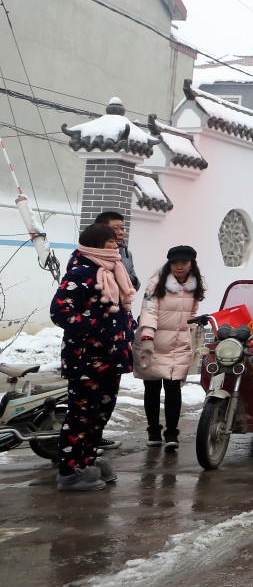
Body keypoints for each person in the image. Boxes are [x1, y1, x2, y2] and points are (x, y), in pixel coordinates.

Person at [50, 222, 135, 491]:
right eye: (111, 240)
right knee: (81, 416)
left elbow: (117, 310)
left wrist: (127, 330)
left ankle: (86, 465)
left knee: (100, 414)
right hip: (86, 359)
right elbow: (60, 311)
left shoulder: (111, 270)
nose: (117, 244)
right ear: (98, 244)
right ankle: (69, 472)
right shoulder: (81, 272)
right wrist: (98, 330)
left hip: (111, 357)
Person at [134, 245, 205, 451]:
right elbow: (149, 309)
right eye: (175, 263)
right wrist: (147, 335)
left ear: (192, 264)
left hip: (179, 343)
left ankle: (172, 433)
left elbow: (191, 312)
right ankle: (153, 431)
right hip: (153, 340)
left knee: (174, 388)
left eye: (184, 263)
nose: (179, 267)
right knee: (152, 387)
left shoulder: (195, 285)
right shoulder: (157, 283)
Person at [94, 210, 140, 292]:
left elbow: (136, 284)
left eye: (122, 228)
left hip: (122, 303)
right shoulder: (92, 253)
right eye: (115, 228)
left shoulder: (126, 253)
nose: (120, 232)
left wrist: (124, 277)